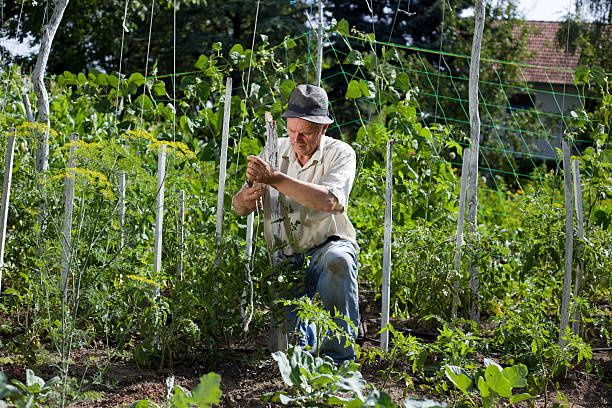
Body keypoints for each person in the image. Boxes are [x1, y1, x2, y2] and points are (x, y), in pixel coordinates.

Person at [232, 84, 359, 362]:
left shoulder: (341, 153)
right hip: (287, 258)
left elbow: (328, 201)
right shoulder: (274, 150)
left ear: (323, 129)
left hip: (327, 246)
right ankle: (309, 337)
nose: (297, 139)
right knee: (286, 355)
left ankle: (339, 359)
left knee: (340, 261)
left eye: (305, 133)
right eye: (291, 131)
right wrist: (247, 196)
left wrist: (274, 178)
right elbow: (239, 208)